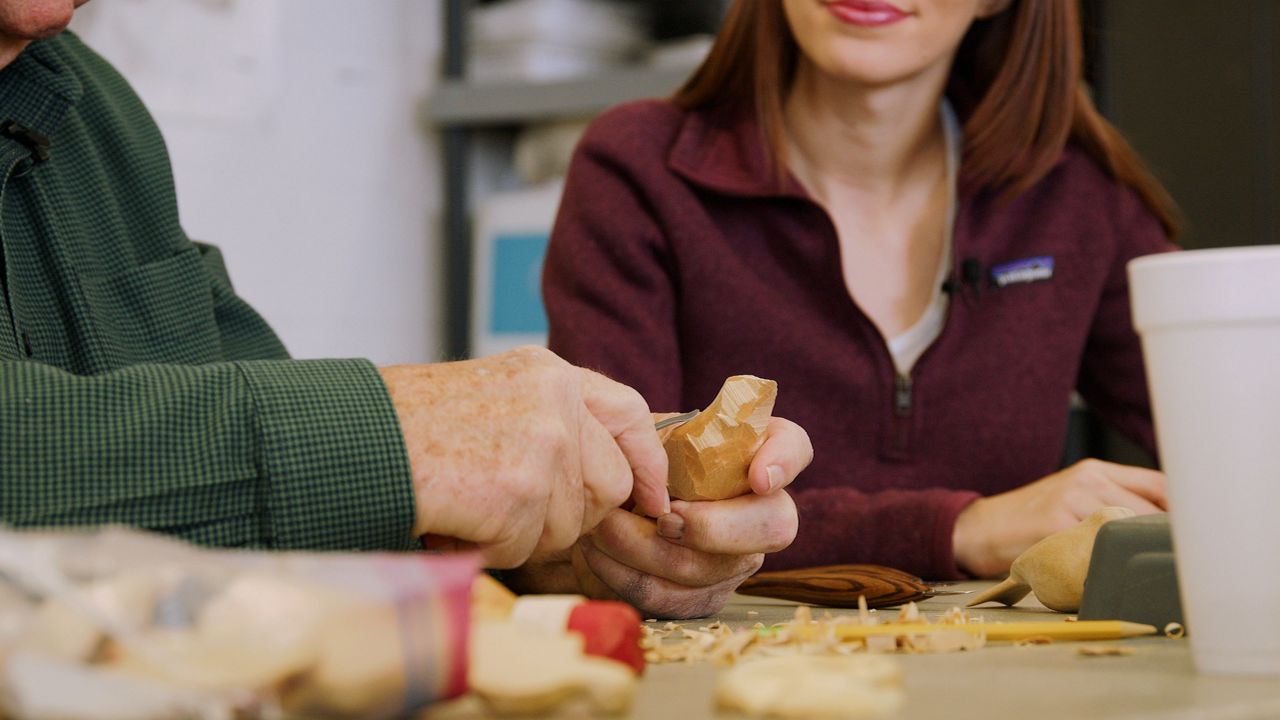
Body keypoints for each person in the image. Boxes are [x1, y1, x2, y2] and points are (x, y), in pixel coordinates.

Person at [0, 0, 811, 619]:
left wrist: (563, 530)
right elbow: (337, 452)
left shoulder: (92, 111)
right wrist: (398, 438)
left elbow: (260, 506)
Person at [543, 0, 1177, 581]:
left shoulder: (1080, 198)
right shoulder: (636, 170)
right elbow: (623, 515)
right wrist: (959, 528)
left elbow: (1244, 423)